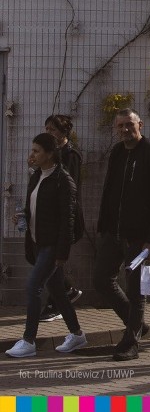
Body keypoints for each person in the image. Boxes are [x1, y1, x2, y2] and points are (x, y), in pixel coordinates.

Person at [94, 109, 150, 360]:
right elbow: (110, 191)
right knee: (102, 279)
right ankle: (137, 324)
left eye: (129, 125)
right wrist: (104, 225)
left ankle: (131, 343)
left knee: (136, 290)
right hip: (113, 233)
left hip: (138, 237)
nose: (125, 130)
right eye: (120, 126)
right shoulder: (117, 153)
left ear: (141, 125)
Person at [5, 134, 87, 359]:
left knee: (33, 288)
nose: (32, 155)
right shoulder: (37, 176)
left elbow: (67, 220)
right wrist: (22, 217)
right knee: (59, 292)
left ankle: (28, 340)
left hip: (52, 245)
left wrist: (62, 253)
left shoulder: (63, 180)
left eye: (36, 151)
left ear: (50, 154)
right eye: (32, 150)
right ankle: (77, 334)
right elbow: (35, 208)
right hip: (37, 242)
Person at [41, 114, 83, 321]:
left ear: (63, 132)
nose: (49, 133)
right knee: (50, 260)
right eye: (47, 129)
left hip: (65, 215)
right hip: (51, 216)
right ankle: (66, 292)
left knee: (53, 260)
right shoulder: (51, 154)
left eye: (53, 129)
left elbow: (70, 187)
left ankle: (56, 301)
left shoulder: (70, 154)